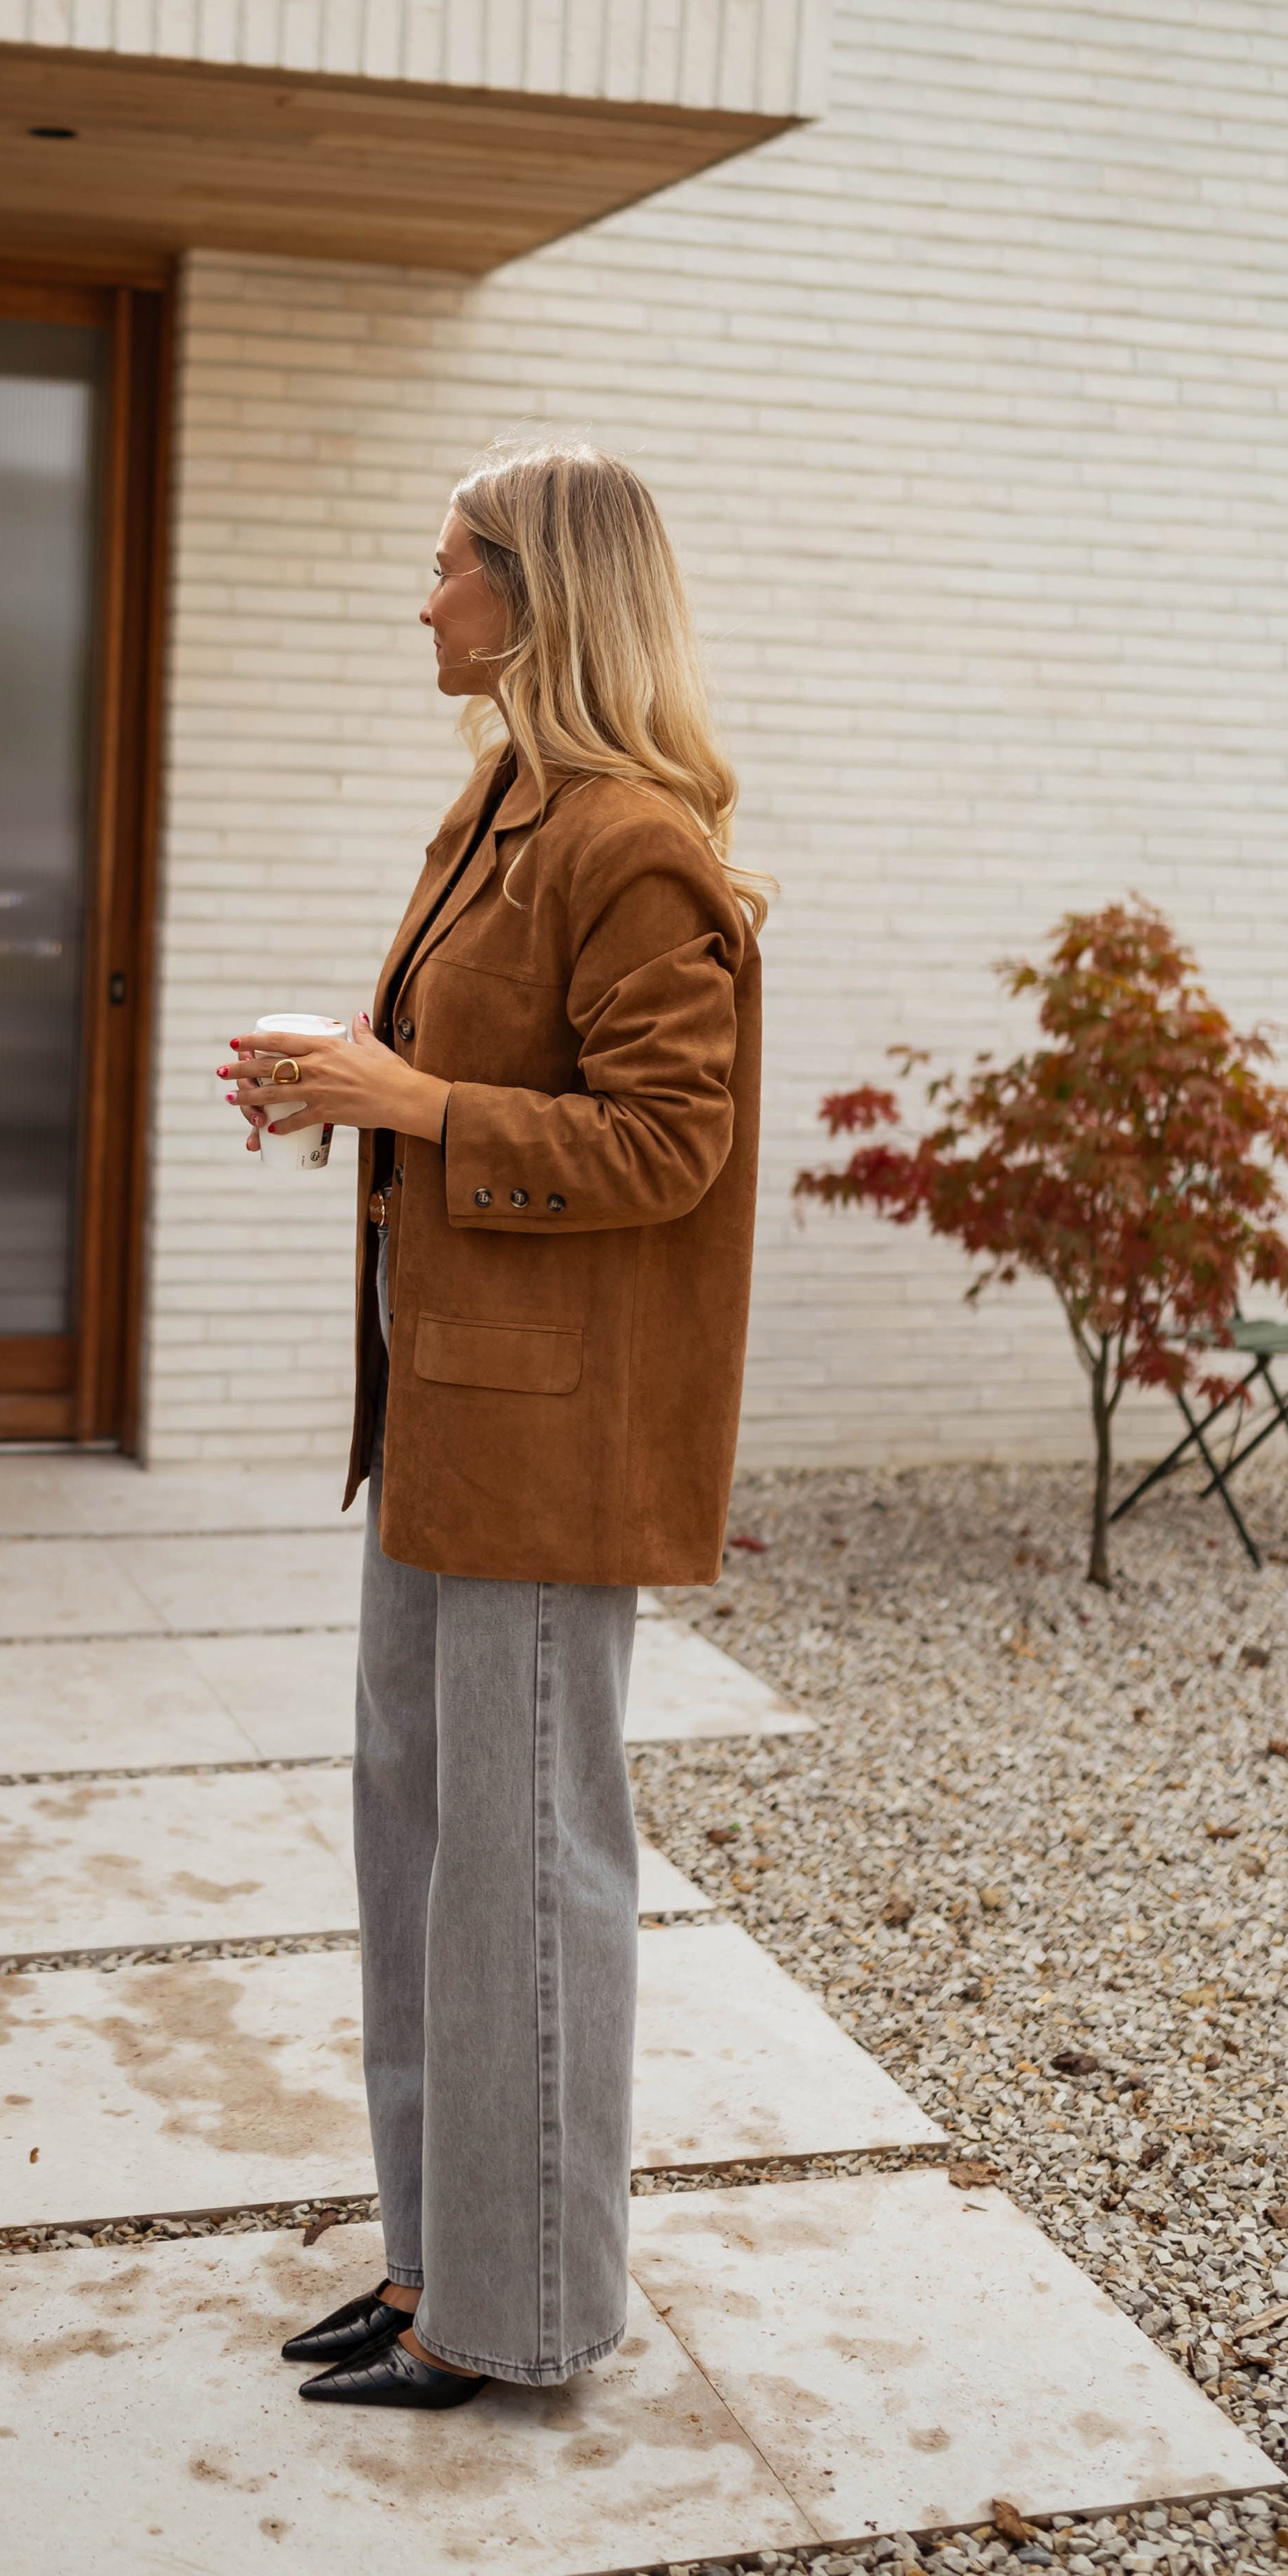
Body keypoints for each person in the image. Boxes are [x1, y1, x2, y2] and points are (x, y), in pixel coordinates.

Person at [219, 440, 768, 2411]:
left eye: (449, 567)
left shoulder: (632, 844)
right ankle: (445, 2256)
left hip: (544, 1445)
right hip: (441, 1412)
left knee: (528, 1862)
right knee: (422, 1840)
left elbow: (670, 1146)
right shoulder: (498, 813)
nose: (423, 598)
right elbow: (457, 1082)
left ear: (540, 596)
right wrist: (349, 1095)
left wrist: (417, 1103)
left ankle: (522, 2319)